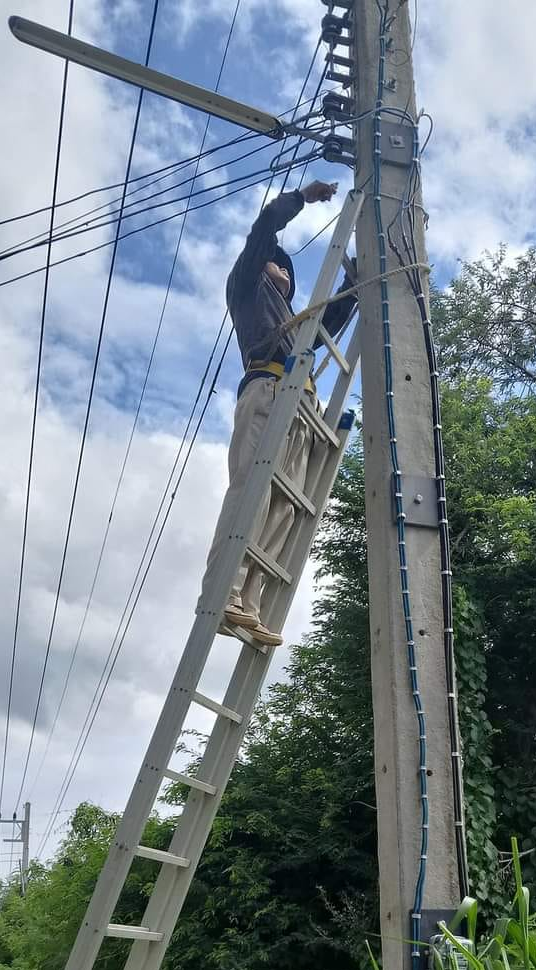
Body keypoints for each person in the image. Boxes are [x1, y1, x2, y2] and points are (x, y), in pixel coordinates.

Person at [198, 180, 358, 647]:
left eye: (289, 270)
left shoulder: (291, 320)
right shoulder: (248, 286)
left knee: (287, 508)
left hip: (300, 405)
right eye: (279, 263)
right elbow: (264, 229)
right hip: (268, 389)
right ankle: (223, 590)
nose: (285, 272)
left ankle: (249, 601)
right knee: (254, 490)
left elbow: (329, 323)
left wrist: (355, 281)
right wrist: (302, 199)